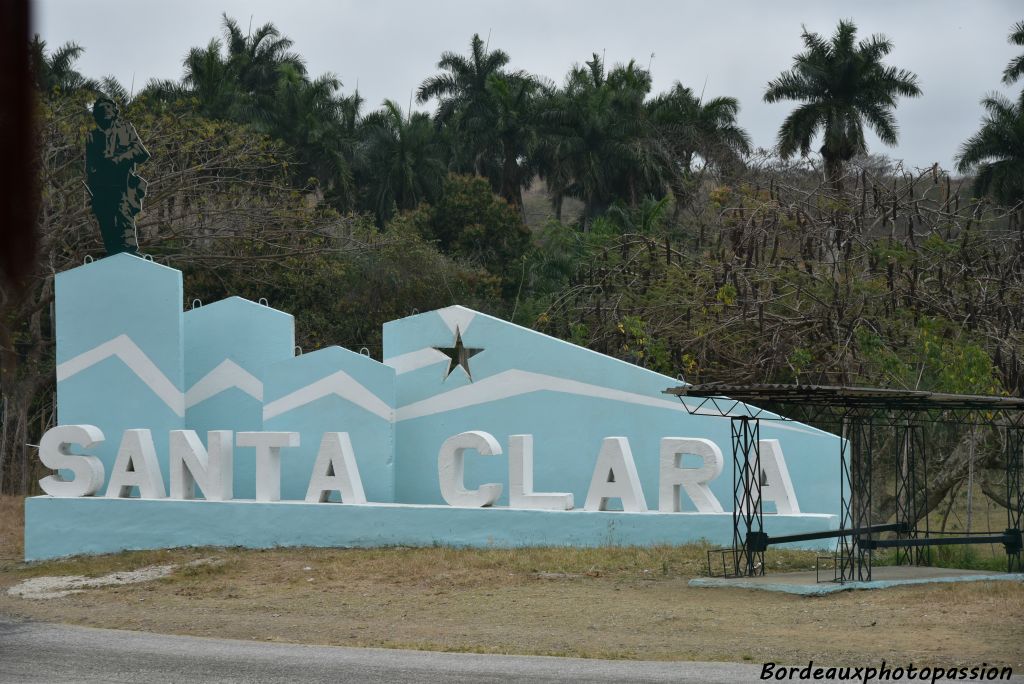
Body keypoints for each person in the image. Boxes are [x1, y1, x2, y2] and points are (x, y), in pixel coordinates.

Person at [85, 97, 150, 256]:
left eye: (108, 106)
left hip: (123, 184)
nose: (105, 109)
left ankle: (129, 253)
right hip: (102, 187)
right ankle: (112, 255)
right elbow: (89, 166)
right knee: (107, 223)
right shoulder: (92, 136)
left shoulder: (126, 128)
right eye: (101, 107)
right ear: (95, 114)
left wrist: (119, 159)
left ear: (115, 111)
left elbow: (141, 153)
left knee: (124, 217)